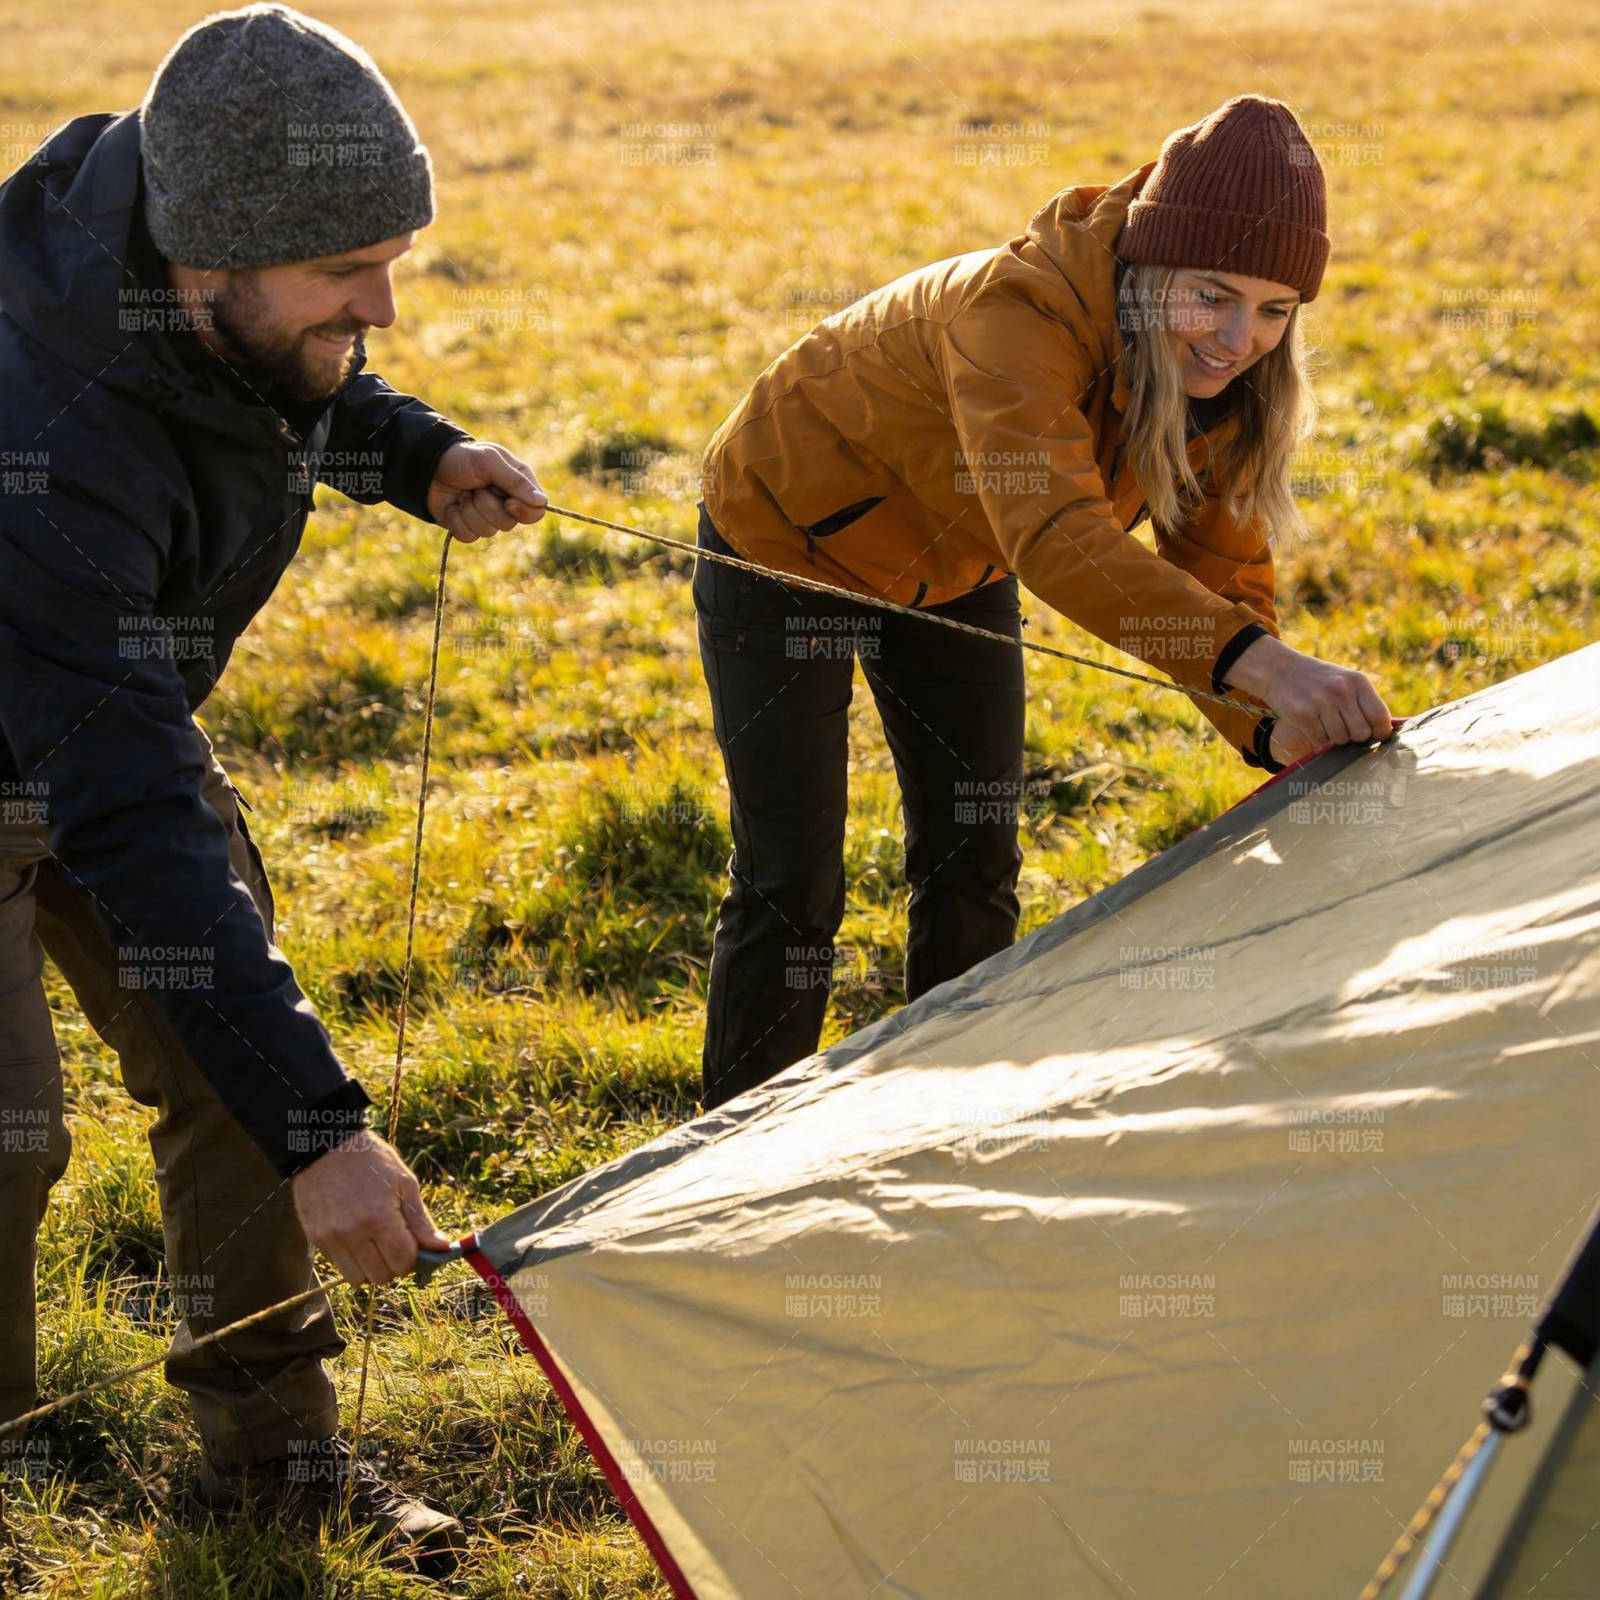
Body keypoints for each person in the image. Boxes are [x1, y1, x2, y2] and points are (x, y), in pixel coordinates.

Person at [0, 4, 546, 1573]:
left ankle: (276, 1456)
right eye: (344, 275)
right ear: (212, 261)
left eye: (389, 256)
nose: (379, 305)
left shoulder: (191, 257)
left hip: (106, 715)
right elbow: (132, 803)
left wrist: (410, 451)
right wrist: (330, 1134)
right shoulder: (40, 426)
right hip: (62, 734)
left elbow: (274, 386)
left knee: (233, 1062)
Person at [694, 94, 1393, 1110]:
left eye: (1277, 308)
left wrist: (1268, 723)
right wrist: (1267, 668)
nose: (1242, 337)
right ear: (1156, 263)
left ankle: (939, 1115)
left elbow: (1215, 582)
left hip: (955, 564)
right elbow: (1057, 535)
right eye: (1214, 294)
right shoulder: (1014, 312)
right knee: (793, 881)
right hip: (785, 540)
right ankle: (722, 1162)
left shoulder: (1225, 383)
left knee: (975, 850)